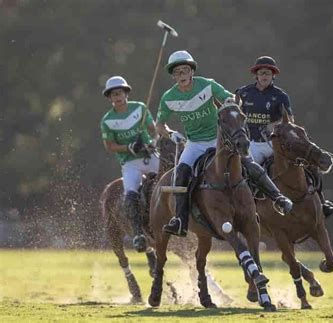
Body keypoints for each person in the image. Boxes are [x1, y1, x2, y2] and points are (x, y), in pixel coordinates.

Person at [156, 50, 293, 237]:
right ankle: (180, 220)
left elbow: (234, 99)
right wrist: (171, 134)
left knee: (248, 162)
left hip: (218, 140)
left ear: (191, 72)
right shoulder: (168, 98)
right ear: (173, 75)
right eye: (178, 72)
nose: (182, 75)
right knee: (181, 173)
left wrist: (229, 102)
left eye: (185, 70)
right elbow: (159, 125)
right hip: (194, 143)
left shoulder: (207, 85)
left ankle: (278, 198)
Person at [236, 56, 333, 217]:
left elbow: (289, 121)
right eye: (262, 73)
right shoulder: (243, 93)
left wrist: (273, 125)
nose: (265, 76)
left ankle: (322, 201)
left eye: (268, 74)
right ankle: (248, 210)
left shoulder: (280, 96)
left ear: (273, 76)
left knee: (309, 163)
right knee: (246, 173)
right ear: (256, 75)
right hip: (252, 144)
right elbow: (234, 115)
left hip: (274, 144)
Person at [100, 76, 159, 252]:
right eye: (113, 95)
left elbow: (154, 130)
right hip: (130, 163)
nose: (117, 97)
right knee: (130, 193)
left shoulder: (140, 108)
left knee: (171, 181)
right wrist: (129, 147)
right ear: (109, 98)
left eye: (120, 93)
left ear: (126, 93)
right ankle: (138, 235)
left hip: (150, 157)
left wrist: (153, 143)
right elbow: (109, 146)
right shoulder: (107, 120)